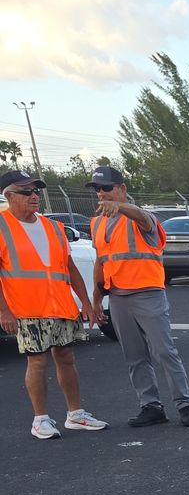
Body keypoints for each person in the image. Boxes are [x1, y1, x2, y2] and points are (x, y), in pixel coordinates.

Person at [86, 165, 189, 427]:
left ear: (122, 189)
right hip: (117, 296)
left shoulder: (141, 217)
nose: (101, 194)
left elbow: (142, 217)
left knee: (164, 351)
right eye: (97, 189)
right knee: (134, 355)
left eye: (106, 188)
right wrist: (95, 296)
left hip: (147, 293)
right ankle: (150, 406)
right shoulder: (97, 221)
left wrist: (122, 207)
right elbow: (101, 260)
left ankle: (185, 405)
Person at [0, 169, 108, 439]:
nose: (34, 196)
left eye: (36, 190)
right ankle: (41, 420)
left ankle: (76, 415)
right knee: (37, 362)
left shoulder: (53, 227)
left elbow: (69, 269)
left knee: (67, 358)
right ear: (9, 196)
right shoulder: (2, 226)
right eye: (27, 191)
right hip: (27, 308)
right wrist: (4, 311)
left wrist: (85, 302)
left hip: (61, 305)